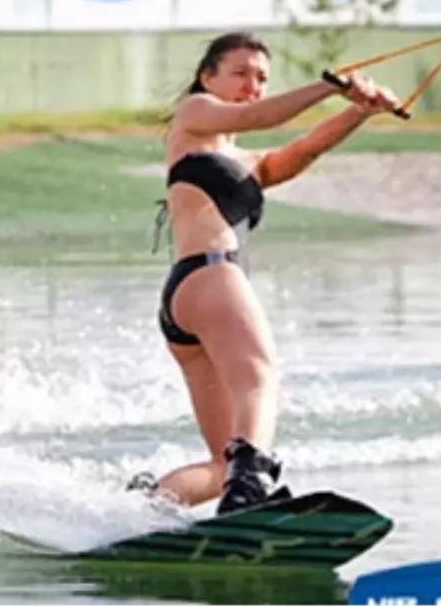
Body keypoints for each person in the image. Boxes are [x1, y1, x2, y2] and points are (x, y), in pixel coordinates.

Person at [128, 32, 400, 515]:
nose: (252, 85)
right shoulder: (193, 113)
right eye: (240, 73)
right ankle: (251, 487)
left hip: (187, 300)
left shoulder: (245, 161)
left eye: (261, 78)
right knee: (260, 375)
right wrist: (330, 87)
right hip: (211, 278)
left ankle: (140, 510)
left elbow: (301, 151)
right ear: (207, 76)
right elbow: (258, 116)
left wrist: (360, 110)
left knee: (219, 462)